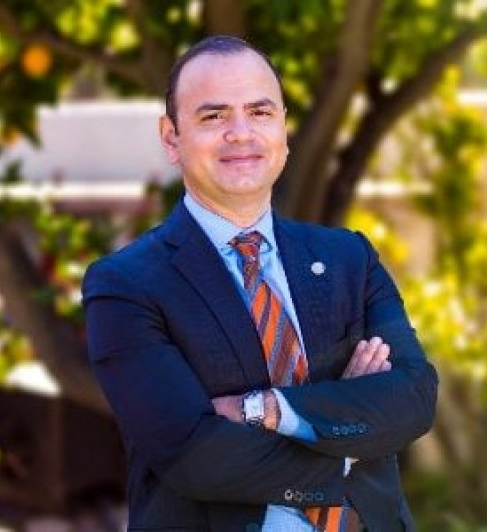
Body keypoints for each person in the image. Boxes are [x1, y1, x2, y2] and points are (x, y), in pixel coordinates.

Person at [82, 35, 438, 532]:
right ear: (171, 137)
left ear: (283, 128)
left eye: (260, 112)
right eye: (214, 116)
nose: (241, 133)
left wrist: (263, 409)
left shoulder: (349, 258)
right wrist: (350, 444)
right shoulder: (126, 285)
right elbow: (196, 457)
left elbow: (413, 399)